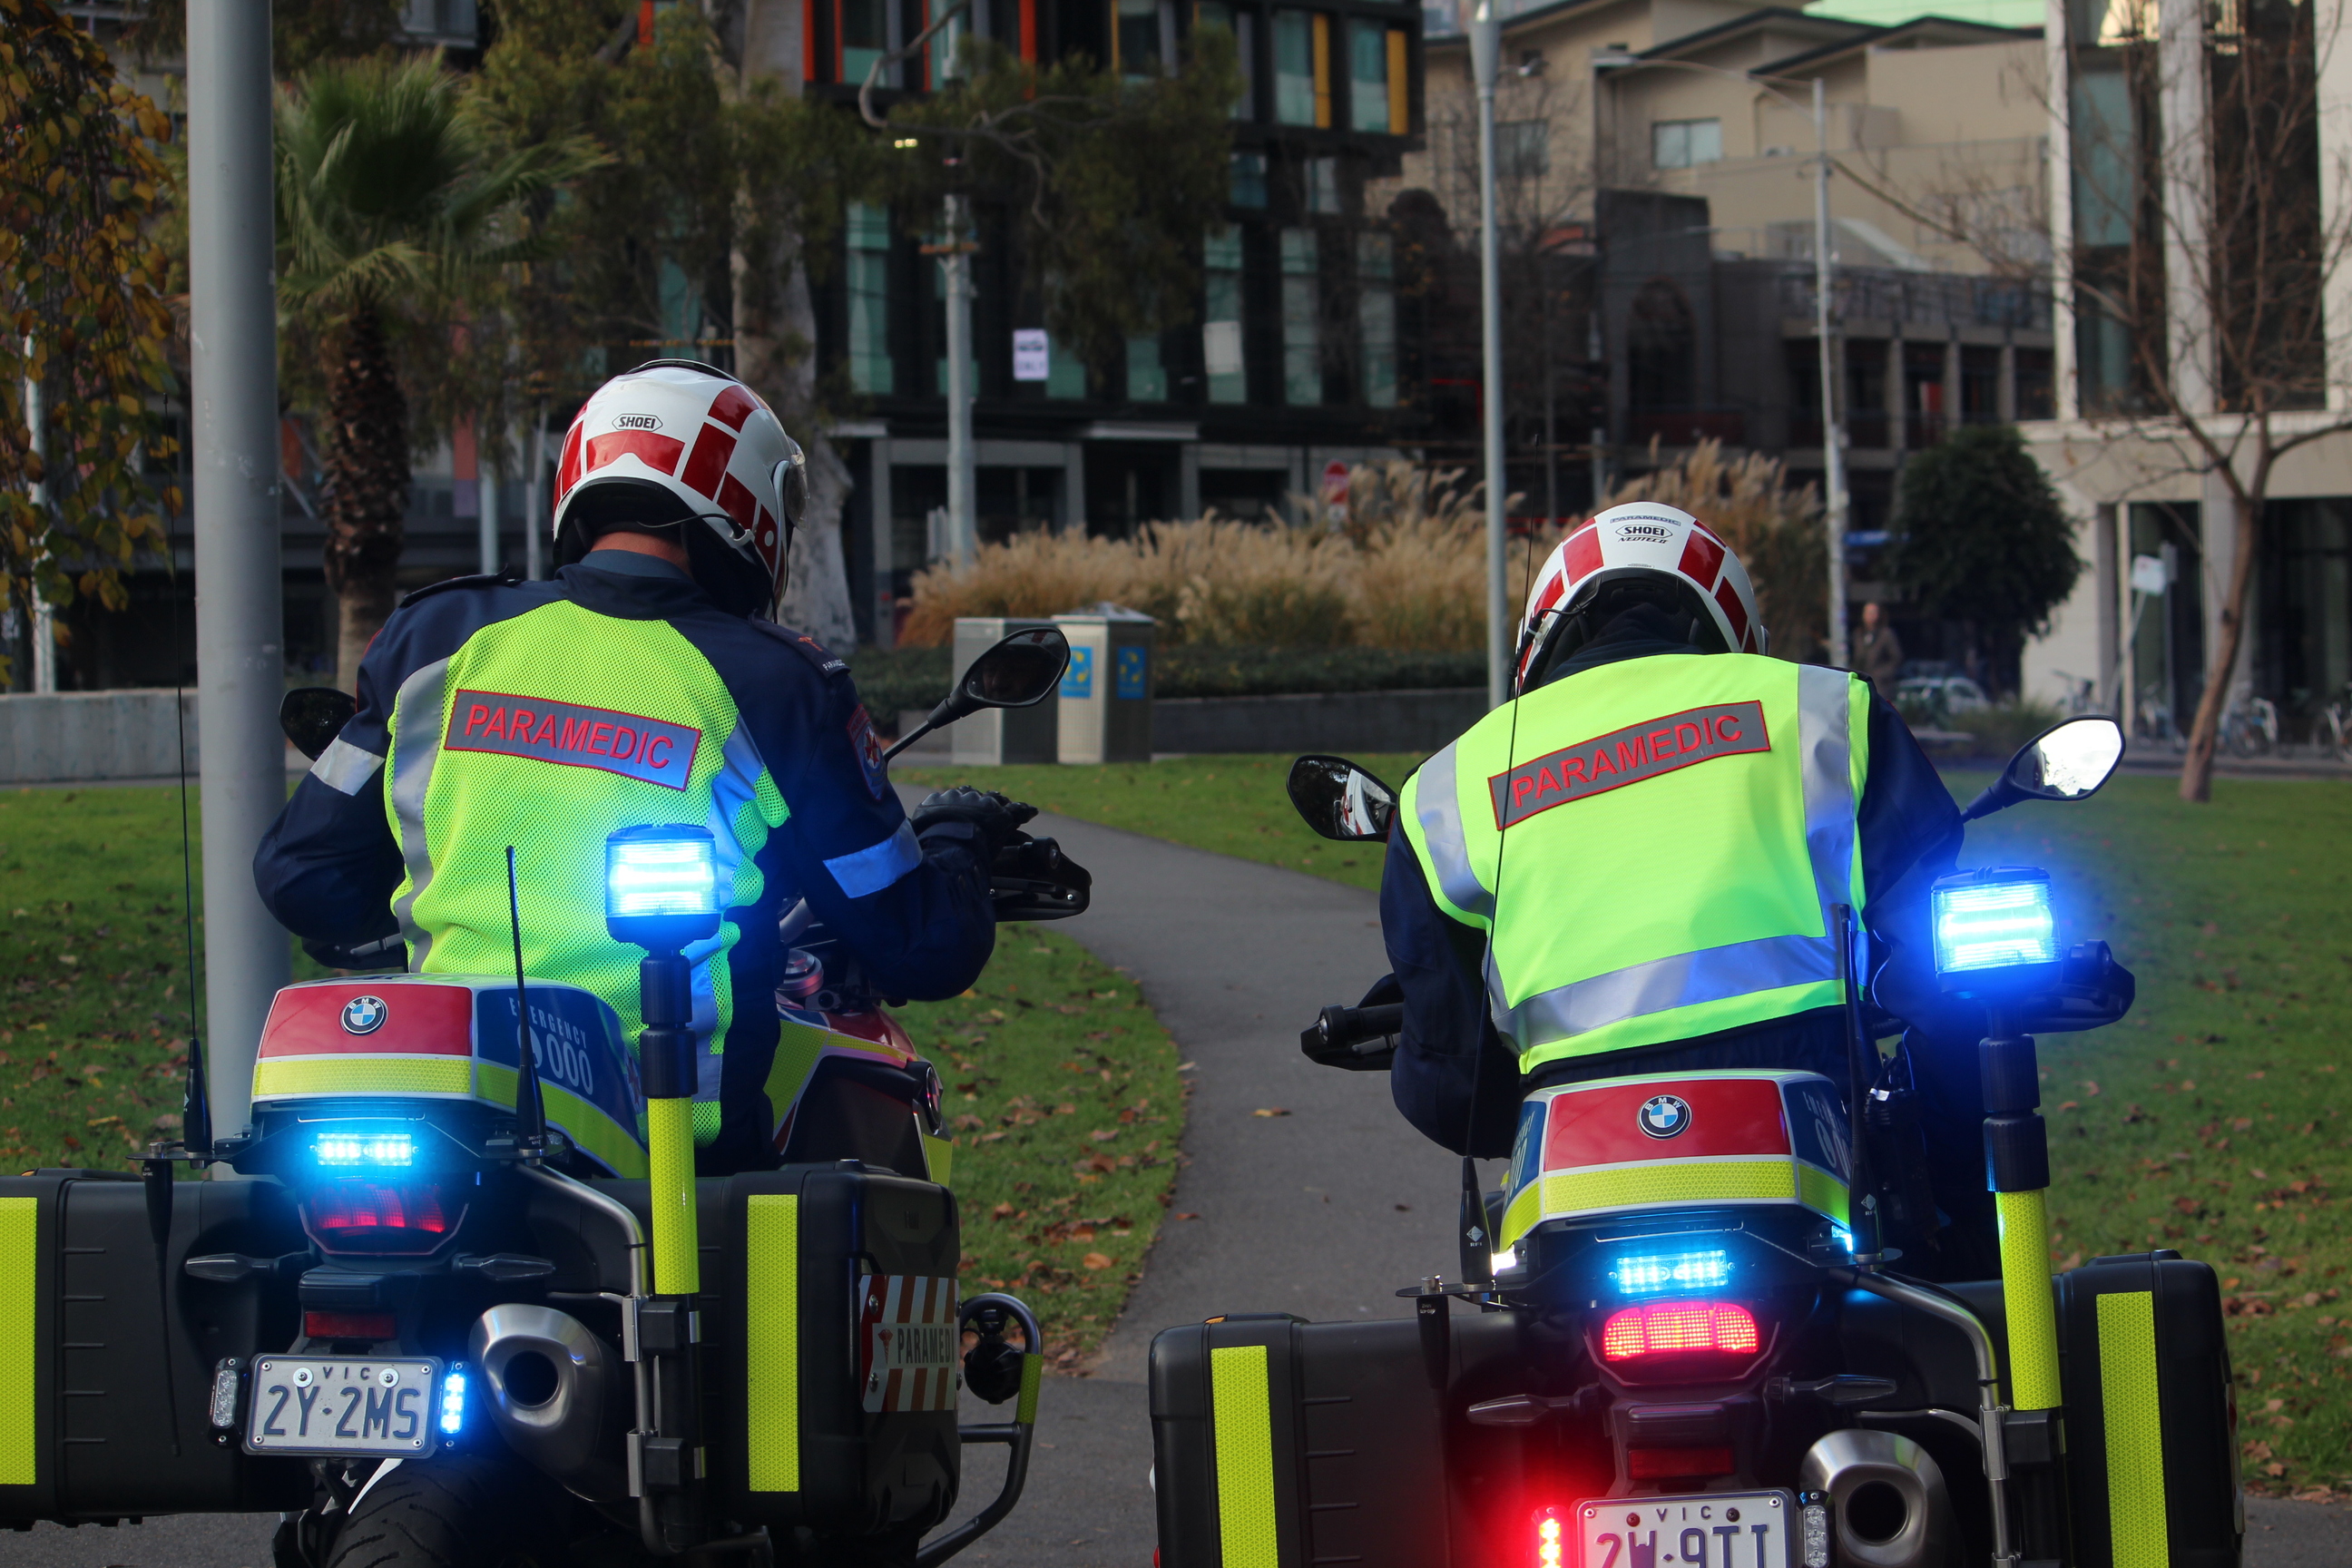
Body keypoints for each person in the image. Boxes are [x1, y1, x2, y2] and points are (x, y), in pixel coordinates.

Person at [255, 360, 1029, 1174]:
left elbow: (306, 880)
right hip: (675, 1154)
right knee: (840, 1230)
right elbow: (921, 945)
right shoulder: (776, 681)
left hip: (454, 1121)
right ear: (750, 506)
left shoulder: (435, 637)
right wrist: (957, 840)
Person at [1380, 501, 1993, 1270]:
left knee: (1505, 1307)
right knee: (1965, 1131)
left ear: (1537, 640)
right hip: (1817, 1110)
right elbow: (1939, 967)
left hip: (1576, 1153)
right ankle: (1983, 1307)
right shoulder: (1824, 710)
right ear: (1735, 632)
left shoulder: (1444, 790)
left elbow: (1450, 1091)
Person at [1853, 599, 1905, 697]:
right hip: (1861, 685)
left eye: (1873, 613)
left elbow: (1896, 658)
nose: (1870, 616)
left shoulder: (1886, 635)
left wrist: (1882, 674)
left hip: (1880, 686)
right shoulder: (1858, 634)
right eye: (1868, 613)